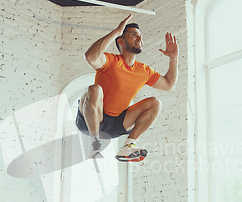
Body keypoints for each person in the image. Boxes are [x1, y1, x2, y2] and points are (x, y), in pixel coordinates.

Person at [76, 14, 179, 162]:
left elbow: (169, 84)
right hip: (91, 119)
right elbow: (91, 57)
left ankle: (128, 146)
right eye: (133, 35)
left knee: (155, 103)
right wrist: (116, 32)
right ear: (121, 42)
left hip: (117, 123)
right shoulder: (111, 61)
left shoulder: (144, 71)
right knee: (94, 89)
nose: (139, 38)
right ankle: (94, 144)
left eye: (140, 36)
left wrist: (173, 58)